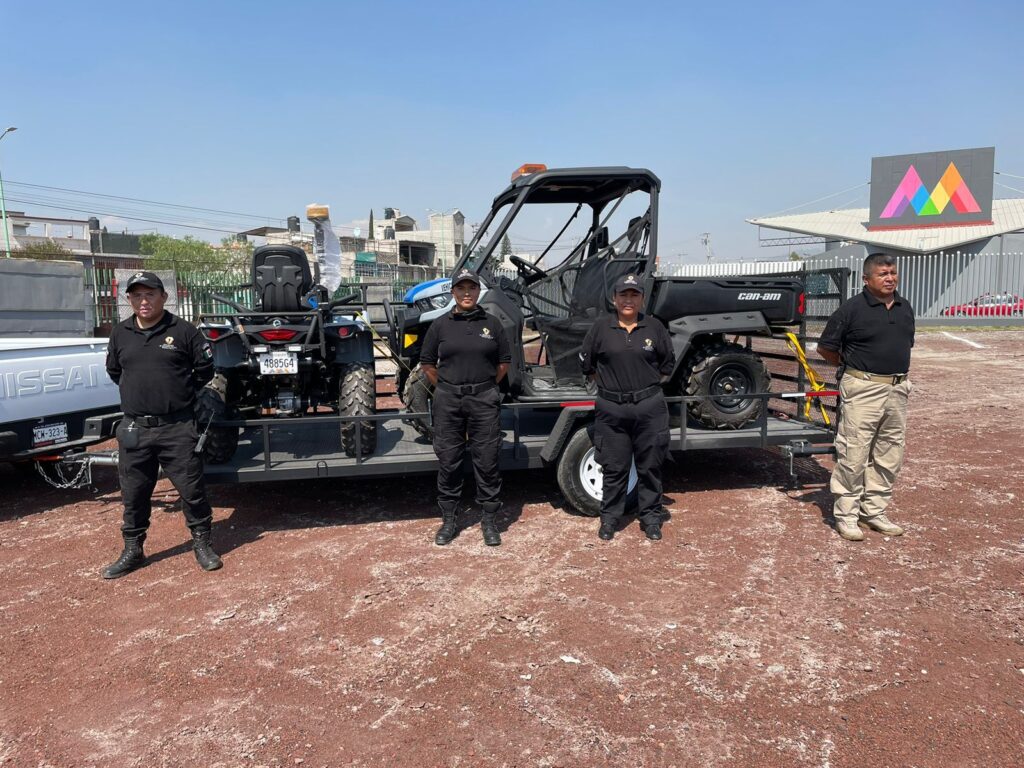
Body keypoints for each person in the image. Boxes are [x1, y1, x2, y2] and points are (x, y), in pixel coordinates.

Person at [101, 271, 222, 578]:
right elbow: (115, 371)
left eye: (150, 294)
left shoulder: (184, 331)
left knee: (192, 491)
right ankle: (133, 550)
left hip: (177, 427)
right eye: (137, 295)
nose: (143, 301)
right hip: (135, 429)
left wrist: (177, 394)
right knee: (134, 494)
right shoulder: (120, 333)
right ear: (129, 299)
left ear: (163, 297)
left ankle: (203, 545)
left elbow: (205, 370)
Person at [818, 252, 915, 541]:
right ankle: (847, 516)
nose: (890, 278)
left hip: (897, 388)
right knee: (854, 452)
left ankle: (874, 511)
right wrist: (853, 369)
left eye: (893, 273)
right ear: (866, 278)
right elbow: (826, 348)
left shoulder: (904, 307)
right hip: (863, 388)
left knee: (890, 452)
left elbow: (905, 343)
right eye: (883, 274)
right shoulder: (852, 309)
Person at [419, 268, 511, 547]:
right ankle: (449, 520)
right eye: (461, 288)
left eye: (472, 288)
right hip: (449, 401)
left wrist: (485, 387)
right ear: (453, 292)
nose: (467, 293)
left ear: (478, 291)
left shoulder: (492, 324)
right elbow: (427, 363)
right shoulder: (440, 325)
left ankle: (489, 521)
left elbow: (504, 362)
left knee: (488, 461)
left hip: (484, 400)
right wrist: (448, 387)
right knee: (449, 461)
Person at [580, 273, 675, 541]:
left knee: (650, 466)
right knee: (614, 468)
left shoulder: (655, 327)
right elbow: (588, 365)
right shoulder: (601, 328)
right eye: (623, 294)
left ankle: (651, 518)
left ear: (642, 299)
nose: (628, 300)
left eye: (634, 294)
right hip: (612, 409)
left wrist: (642, 388)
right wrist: (614, 388)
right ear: (614, 299)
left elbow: (667, 366)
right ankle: (610, 519)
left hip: (649, 407)